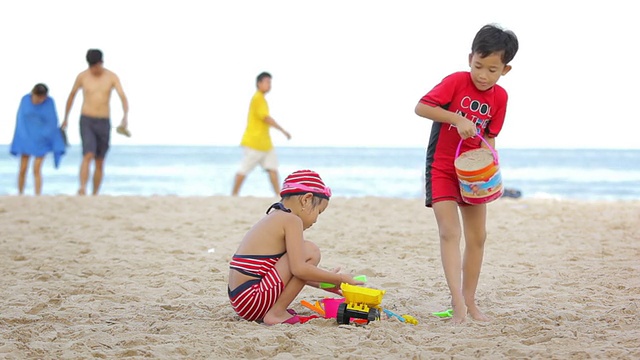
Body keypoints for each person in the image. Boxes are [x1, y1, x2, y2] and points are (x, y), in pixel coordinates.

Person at [414, 24, 519, 324]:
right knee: (450, 232)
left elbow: (490, 136)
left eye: (492, 69)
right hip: (443, 167)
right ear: (470, 57)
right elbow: (421, 107)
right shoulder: (457, 82)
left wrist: (491, 169)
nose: (483, 75)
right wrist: (455, 117)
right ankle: (457, 303)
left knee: (478, 237)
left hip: (474, 173)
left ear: (505, 69)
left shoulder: (501, 98)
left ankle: (471, 300)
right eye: (478, 66)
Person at [228, 170, 363, 325]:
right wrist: (340, 278)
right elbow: (299, 269)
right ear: (306, 200)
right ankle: (277, 313)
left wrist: (323, 283)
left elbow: (287, 272)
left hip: (242, 301)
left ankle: (274, 310)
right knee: (310, 250)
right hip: (253, 299)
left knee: (302, 254)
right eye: (319, 211)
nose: (316, 220)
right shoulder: (291, 220)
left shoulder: (275, 216)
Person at [61, 49, 129, 195]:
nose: (94, 70)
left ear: (101, 63)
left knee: (100, 160)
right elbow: (72, 95)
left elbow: (122, 96)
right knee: (88, 154)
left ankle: (95, 192)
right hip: (87, 119)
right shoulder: (82, 77)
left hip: (104, 120)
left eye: (96, 66)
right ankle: (82, 188)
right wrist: (66, 118)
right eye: (91, 67)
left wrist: (125, 117)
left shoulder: (111, 77)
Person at [232, 72, 291, 196]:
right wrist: (283, 130)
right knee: (244, 170)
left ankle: (278, 196)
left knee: (273, 169)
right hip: (254, 142)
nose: (269, 85)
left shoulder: (262, 99)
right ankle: (234, 195)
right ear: (259, 84)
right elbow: (266, 118)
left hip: (265, 143)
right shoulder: (257, 98)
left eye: (270, 82)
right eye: (267, 82)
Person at [10, 83, 66, 195]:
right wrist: (21, 137)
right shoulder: (25, 100)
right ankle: (20, 193)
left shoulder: (49, 102)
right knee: (23, 168)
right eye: (37, 97)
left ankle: (37, 194)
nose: (39, 100)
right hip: (26, 138)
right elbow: (21, 120)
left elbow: (52, 121)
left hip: (42, 140)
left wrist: (48, 137)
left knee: (37, 169)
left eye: (42, 98)